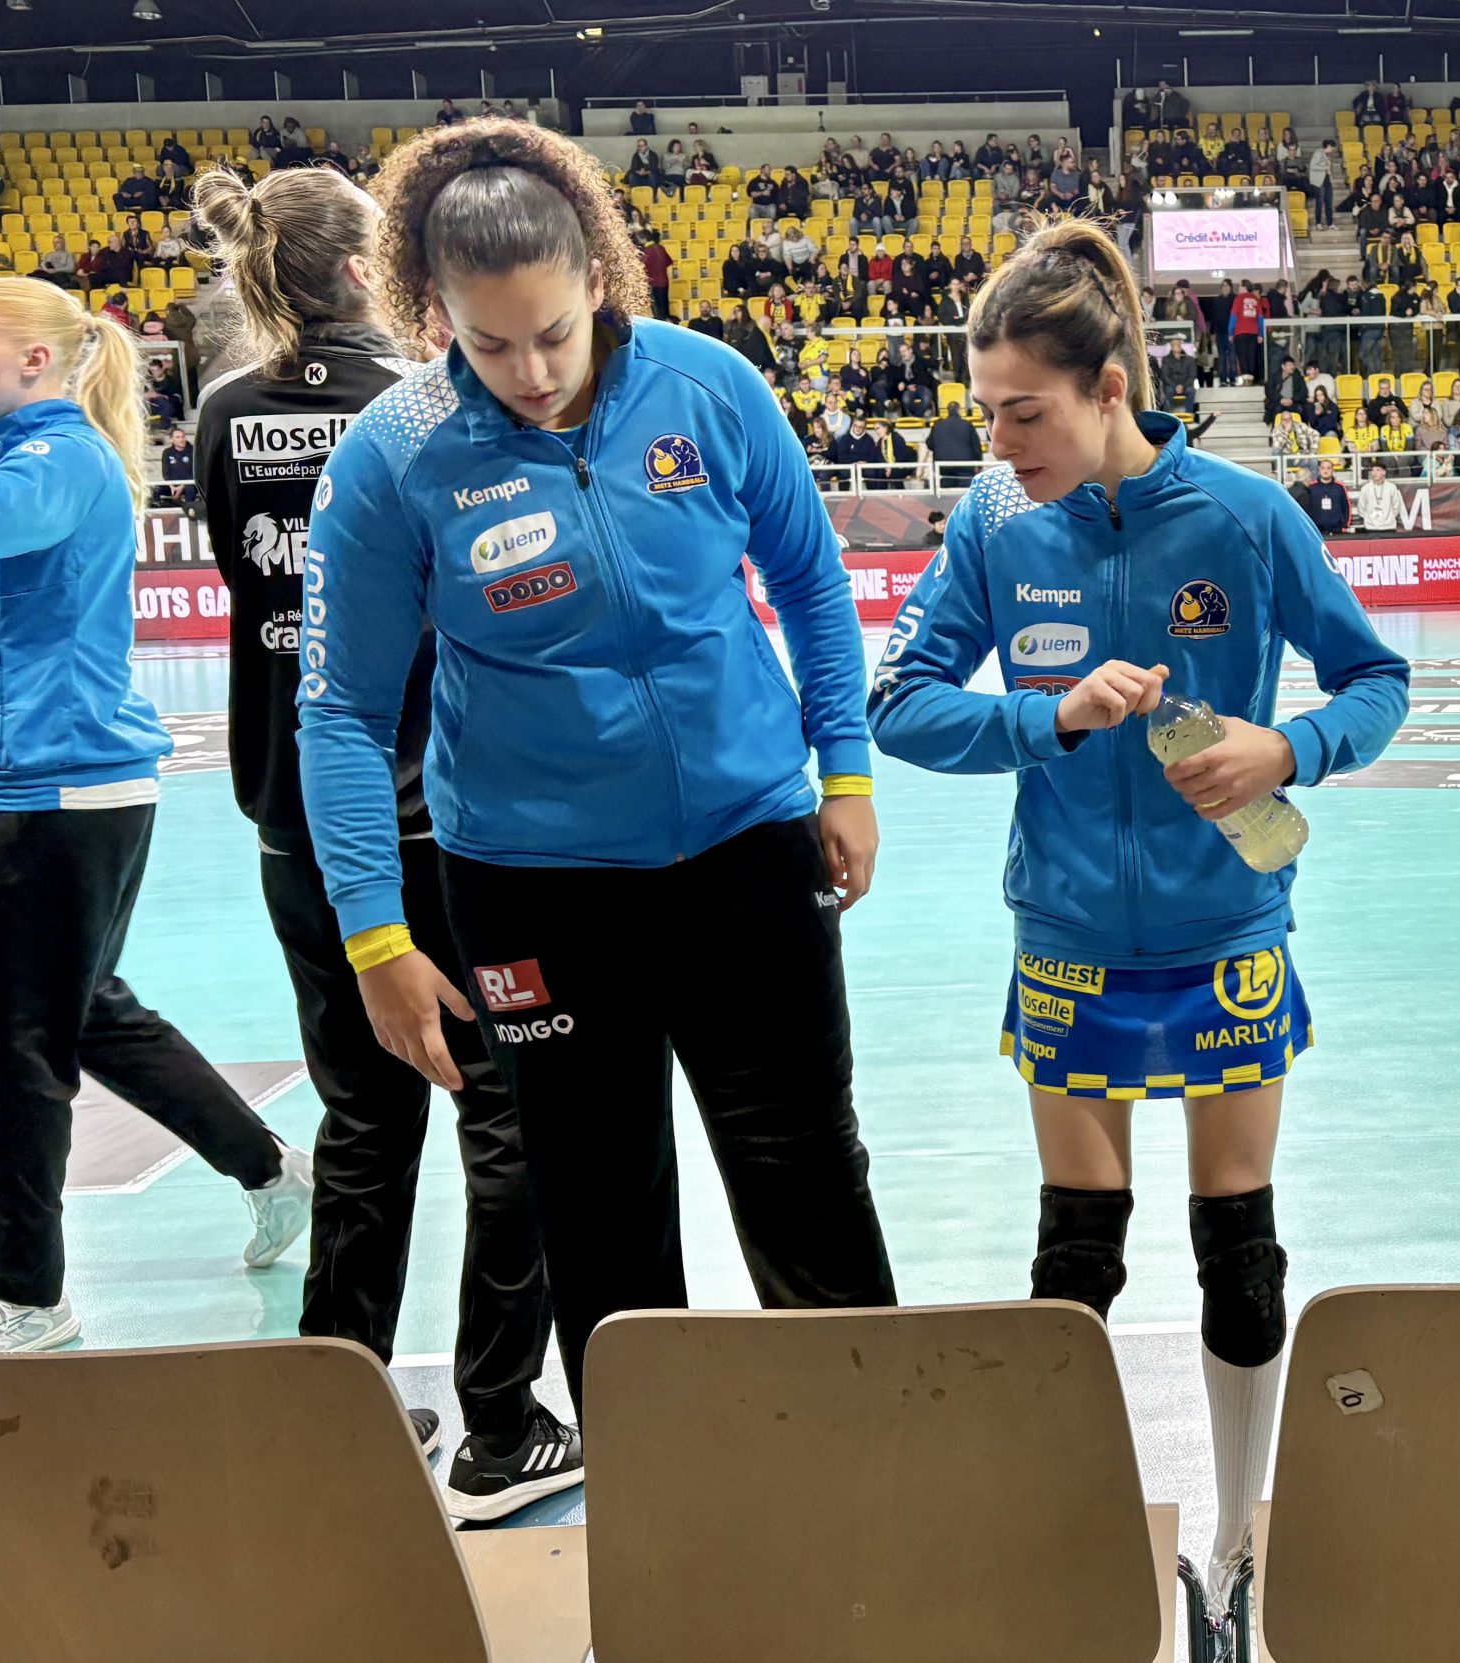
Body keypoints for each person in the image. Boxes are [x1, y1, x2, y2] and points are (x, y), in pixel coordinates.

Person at [296, 120, 898, 1412]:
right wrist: (375, 937)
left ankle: (881, 1491)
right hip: (533, 891)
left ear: (600, 279)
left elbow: (810, 579)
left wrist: (842, 771)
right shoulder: (392, 459)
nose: (530, 369)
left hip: (749, 853)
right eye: (490, 340)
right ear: (433, 306)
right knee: (600, 1218)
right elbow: (342, 710)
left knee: (808, 1176)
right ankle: (658, 1540)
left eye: (556, 332)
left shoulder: (710, 387)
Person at [867, 217, 1410, 1636]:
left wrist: (1286, 751)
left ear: (1110, 386)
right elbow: (900, 701)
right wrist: (1044, 716)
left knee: (1239, 1246)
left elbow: (1375, 677)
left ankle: (1240, 1540)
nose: (1001, 442)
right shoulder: (992, 525)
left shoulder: (1243, 516)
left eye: (1025, 413)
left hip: (1227, 922)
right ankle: (1079, 1540)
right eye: (986, 412)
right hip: (1065, 938)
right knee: (1077, 1253)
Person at [187, 162, 576, 1513]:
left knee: (362, 1119)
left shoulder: (228, 409)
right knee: (504, 1116)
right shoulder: (424, 411)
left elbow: (254, 589)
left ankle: (339, 1413)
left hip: (295, 808)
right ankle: (499, 1419)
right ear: (372, 271)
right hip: (451, 817)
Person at [0, 276, 316, 1354]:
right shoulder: (36, 466)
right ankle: (266, 1166)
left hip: (50, 791)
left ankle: (28, 1293)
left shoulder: (56, 462)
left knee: (2, 1044)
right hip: (51, 783)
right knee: (82, 1009)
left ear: (35, 363)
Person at [1357, 459, 1407, 533]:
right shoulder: (1365, 488)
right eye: (1373, 470)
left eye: (1378, 470)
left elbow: (1396, 506)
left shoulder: (1391, 487)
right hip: (1370, 527)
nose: (1375, 473)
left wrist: (1389, 518)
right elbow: (1361, 508)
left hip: (1389, 526)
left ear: (1384, 472)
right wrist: (1369, 519)